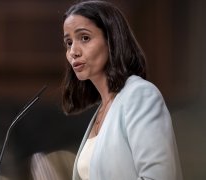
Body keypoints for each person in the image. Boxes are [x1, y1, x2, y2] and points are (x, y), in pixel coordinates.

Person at [61, 0, 183, 180]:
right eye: (69, 42)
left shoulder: (140, 95)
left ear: (112, 40)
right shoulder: (104, 109)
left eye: (84, 38)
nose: (73, 51)